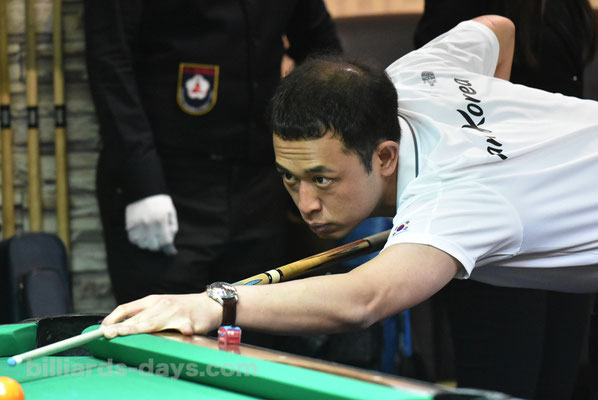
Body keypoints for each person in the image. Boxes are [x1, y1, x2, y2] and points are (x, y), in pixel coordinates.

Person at [101, 15, 598, 394]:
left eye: (323, 179)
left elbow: (363, 299)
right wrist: (506, 137)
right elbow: (497, 28)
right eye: (289, 177)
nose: (306, 204)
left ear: (385, 157)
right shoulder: (414, 76)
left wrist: (214, 303)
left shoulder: (452, 202)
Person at [84, 1, 342, 305]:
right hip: (169, 182)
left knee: (256, 328)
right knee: (163, 328)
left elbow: (321, 50)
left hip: (260, 186)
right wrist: (142, 182)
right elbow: (110, 59)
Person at [410, 1, 597, 397]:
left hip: (565, 212)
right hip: (494, 222)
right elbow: (438, 94)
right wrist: (502, 158)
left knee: (558, 381)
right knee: (505, 384)